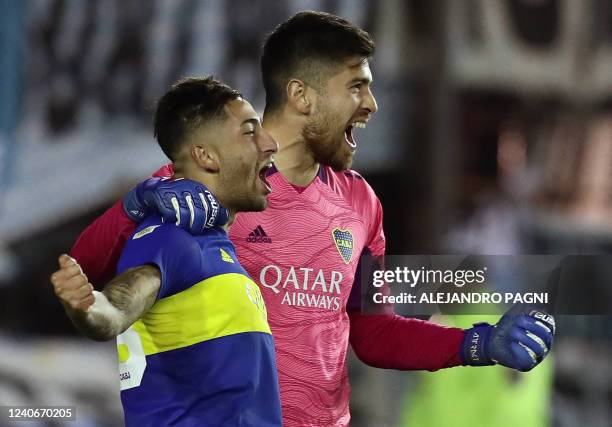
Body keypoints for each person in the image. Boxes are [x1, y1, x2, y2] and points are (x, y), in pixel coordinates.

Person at [68, 12, 555, 426]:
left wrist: (479, 342)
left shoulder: (361, 203)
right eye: (356, 87)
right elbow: (85, 273)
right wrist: (135, 205)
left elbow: (374, 333)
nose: (370, 106)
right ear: (302, 97)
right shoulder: (206, 182)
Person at [51, 77, 281, 427]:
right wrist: (89, 307)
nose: (270, 143)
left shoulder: (213, 247)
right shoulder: (174, 237)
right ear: (205, 155)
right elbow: (118, 305)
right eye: (250, 132)